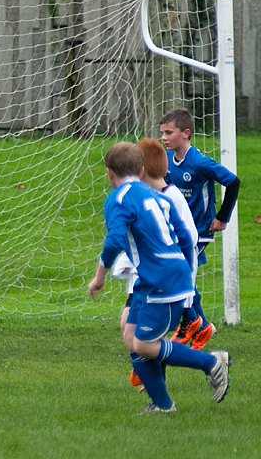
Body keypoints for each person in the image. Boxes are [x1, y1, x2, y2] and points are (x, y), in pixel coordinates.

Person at [89, 142, 230, 413]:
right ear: (141, 171)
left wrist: (99, 278)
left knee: (144, 344)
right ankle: (162, 405)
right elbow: (186, 236)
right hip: (158, 277)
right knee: (131, 336)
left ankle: (212, 363)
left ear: (108, 172)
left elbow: (114, 240)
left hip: (161, 280)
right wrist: (185, 273)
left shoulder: (119, 199)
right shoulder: (158, 196)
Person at [111, 138, 199, 389]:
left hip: (163, 281)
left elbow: (188, 238)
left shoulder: (171, 197)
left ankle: (157, 379)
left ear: (141, 172)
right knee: (130, 329)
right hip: (145, 279)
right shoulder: (146, 197)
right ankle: (150, 374)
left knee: (143, 337)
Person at [160, 109, 240, 350]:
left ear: (186, 133)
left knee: (180, 274)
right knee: (180, 274)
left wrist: (222, 218)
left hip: (199, 231)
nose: (164, 137)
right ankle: (201, 324)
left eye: (169, 132)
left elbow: (233, 182)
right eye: (162, 132)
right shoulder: (166, 159)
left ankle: (194, 322)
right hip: (178, 230)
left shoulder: (199, 162)